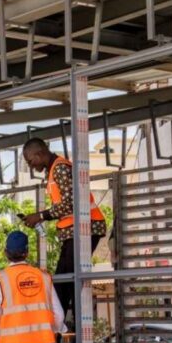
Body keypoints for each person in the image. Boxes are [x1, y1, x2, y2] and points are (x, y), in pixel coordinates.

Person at [19, 138, 106, 330]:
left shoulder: (59, 168)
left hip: (84, 228)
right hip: (75, 231)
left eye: (30, 160)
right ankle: (70, 328)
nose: (30, 166)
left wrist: (41, 216)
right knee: (65, 281)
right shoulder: (54, 170)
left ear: (39, 154)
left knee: (65, 280)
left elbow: (71, 203)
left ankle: (70, 330)